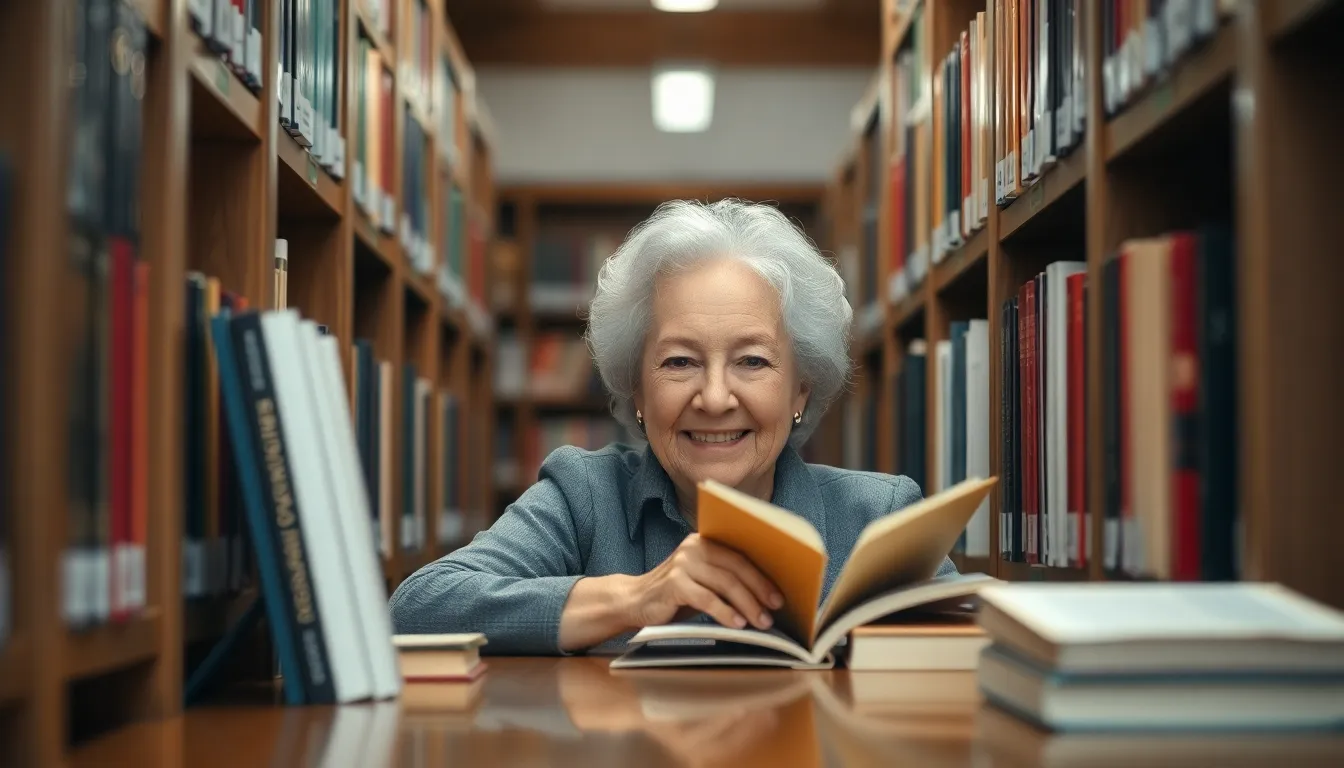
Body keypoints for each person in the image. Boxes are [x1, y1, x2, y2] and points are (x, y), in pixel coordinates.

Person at [389, 198, 956, 655]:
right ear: (637, 389)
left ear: (799, 389)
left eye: (752, 361)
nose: (713, 398)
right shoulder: (583, 498)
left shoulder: (878, 517)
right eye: (679, 362)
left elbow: (978, 652)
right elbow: (419, 608)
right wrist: (636, 599)